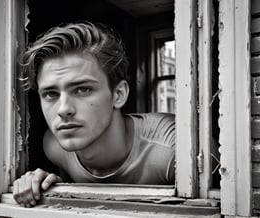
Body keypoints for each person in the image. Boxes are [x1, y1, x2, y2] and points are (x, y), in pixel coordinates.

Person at [13, 22, 175, 208]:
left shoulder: (171, 149)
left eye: (82, 89)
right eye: (51, 94)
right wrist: (48, 185)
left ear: (119, 94)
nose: (63, 109)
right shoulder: (54, 146)